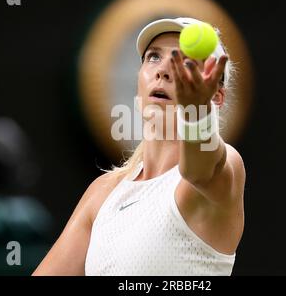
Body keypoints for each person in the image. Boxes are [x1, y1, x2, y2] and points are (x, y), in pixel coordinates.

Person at [33, 17, 245, 276]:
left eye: (186, 62)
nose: (164, 70)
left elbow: (200, 170)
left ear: (216, 97)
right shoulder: (103, 193)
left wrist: (196, 112)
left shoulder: (224, 166)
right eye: (154, 57)